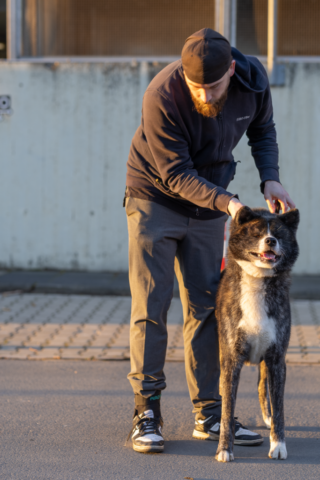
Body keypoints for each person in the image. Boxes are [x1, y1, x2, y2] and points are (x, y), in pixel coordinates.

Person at [124, 28, 295, 453]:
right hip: (155, 198)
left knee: (205, 305)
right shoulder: (161, 94)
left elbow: (263, 129)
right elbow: (176, 174)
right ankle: (147, 410)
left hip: (213, 205)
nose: (202, 93)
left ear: (232, 72)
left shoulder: (252, 80)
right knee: (154, 302)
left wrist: (269, 178)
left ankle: (210, 413)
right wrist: (232, 204)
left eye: (212, 86)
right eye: (194, 85)